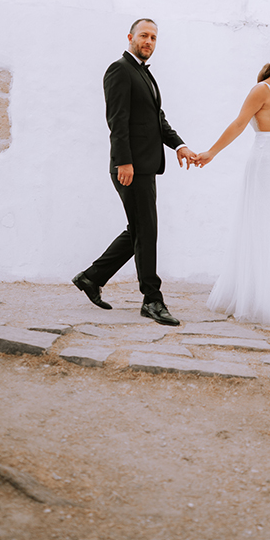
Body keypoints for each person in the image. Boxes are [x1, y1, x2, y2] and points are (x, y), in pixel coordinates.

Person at [72, 18, 196, 326]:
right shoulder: (120, 70)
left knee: (139, 230)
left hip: (146, 166)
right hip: (131, 167)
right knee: (146, 230)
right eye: (144, 35)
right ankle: (152, 300)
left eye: (154, 37)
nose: (149, 41)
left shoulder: (144, 74)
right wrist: (123, 161)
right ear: (130, 37)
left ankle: (92, 277)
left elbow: (157, 119)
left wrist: (179, 145)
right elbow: (117, 120)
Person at [195, 45, 270, 325]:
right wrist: (211, 152)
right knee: (263, 224)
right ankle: (253, 296)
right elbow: (239, 123)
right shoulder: (261, 90)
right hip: (266, 162)